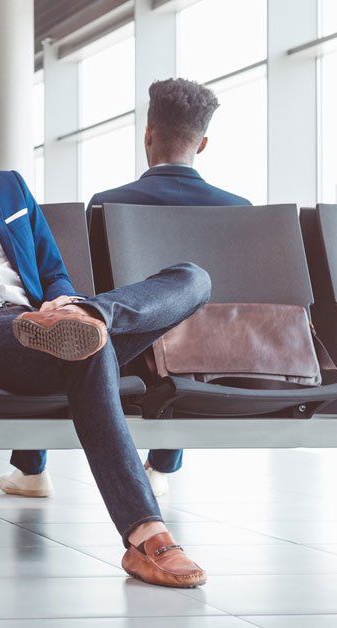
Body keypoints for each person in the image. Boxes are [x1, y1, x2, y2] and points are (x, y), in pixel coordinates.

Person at [0, 79, 210, 588]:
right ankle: (148, 536)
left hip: (49, 323)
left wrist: (68, 302)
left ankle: (90, 317)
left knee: (192, 277)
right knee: (85, 350)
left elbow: (53, 270)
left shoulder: (9, 188)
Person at [88, 78, 250, 498]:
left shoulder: (108, 203)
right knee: (184, 332)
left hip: (124, 355)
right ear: (203, 144)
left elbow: (96, 288)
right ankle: (162, 464)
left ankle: (31, 469)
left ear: (148, 133)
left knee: (70, 322)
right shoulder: (240, 210)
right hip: (217, 359)